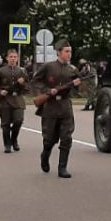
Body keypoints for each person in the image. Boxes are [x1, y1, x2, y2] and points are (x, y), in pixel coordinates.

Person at [33, 38, 82, 178]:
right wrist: (48, 91)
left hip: (65, 107)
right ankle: (45, 154)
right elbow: (35, 81)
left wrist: (77, 85)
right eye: (66, 51)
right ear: (59, 52)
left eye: (70, 51)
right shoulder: (48, 67)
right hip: (51, 108)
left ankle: (62, 168)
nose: (69, 54)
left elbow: (79, 91)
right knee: (49, 139)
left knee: (66, 138)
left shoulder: (72, 69)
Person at [0, 48, 29, 154]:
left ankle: (14, 140)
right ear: (7, 58)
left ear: (17, 58)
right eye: (11, 57)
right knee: (5, 124)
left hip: (18, 99)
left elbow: (28, 86)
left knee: (18, 120)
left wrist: (22, 84)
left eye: (15, 57)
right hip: (5, 100)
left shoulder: (22, 71)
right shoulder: (1, 71)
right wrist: (0, 91)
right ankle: (7, 144)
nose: (13, 59)